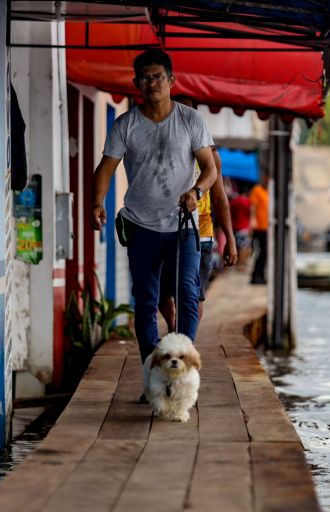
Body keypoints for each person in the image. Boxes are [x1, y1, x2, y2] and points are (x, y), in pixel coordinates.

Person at [90, 49, 217, 369]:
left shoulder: (190, 119)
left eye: (158, 77)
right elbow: (105, 169)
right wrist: (96, 202)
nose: (152, 83)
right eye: (145, 78)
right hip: (141, 226)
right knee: (145, 302)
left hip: (183, 225)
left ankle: (185, 367)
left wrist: (196, 191)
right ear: (136, 84)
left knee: (187, 295)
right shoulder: (126, 124)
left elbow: (210, 169)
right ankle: (152, 371)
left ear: (172, 80)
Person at [158, 95, 238, 332]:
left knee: (194, 296)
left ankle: (185, 341)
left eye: (187, 112)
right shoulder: (161, 144)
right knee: (163, 293)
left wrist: (230, 240)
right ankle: (174, 330)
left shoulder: (210, 154)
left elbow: (220, 199)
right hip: (162, 230)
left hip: (200, 234)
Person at [249, 175, 269, 285]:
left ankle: (260, 275)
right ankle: (256, 276)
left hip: (267, 226)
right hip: (259, 226)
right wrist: (253, 220)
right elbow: (253, 206)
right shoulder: (257, 190)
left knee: (265, 252)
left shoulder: (269, 192)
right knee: (262, 251)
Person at [228, 184, 252, 271]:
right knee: (243, 247)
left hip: (235, 227)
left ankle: (237, 263)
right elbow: (250, 214)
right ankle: (241, 264)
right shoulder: (247, 201)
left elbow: (229, 211)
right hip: (244, 227)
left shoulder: (234, 201)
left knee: (237, 246)